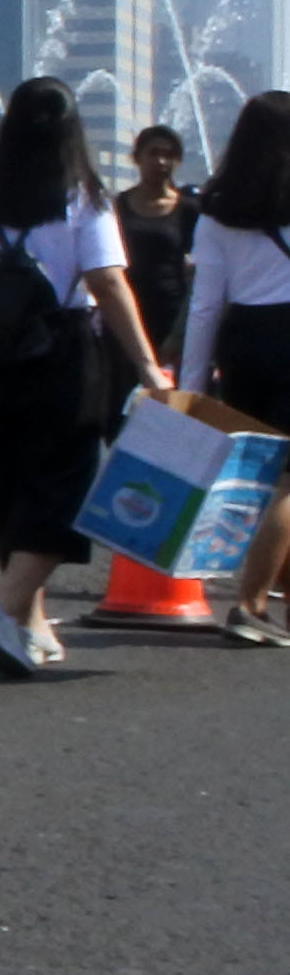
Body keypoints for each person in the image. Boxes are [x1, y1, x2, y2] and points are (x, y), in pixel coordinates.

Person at [0, 78, 170, 673]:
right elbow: (107, 283)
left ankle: (30, 626)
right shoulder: (83, 198)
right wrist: (146, 364)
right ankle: (4, 609)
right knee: (66, 484)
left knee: (8, 480)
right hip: (61, 352)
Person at [179, 92, 290, 647]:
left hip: (243, 340)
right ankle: (248, 606)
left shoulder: (218, 211)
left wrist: (192, 393)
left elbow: (204, 307)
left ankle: (279, 600)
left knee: (262, 475)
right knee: (287, 485)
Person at [115, 124, 196, 386]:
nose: (161, 161)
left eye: (169, 154)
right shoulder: (117, 205)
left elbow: (201, 270)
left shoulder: (189, 210)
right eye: (153, 153)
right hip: (125, 311)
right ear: (136, 157)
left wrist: (179, 333)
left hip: (170, 316)